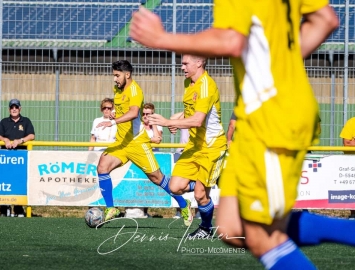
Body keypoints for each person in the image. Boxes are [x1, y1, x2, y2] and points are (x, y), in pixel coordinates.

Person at [129, 3, 355, 270]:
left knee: (261, 234)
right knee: (231, 227)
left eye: (187, 61)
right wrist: (279, 66)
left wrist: (163, 39)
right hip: (258, 117)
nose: (183, 65)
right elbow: (326, 19)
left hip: (275, 115)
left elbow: (232, 40)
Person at [96, 60, 192, 225]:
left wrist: (112, 122)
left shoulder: (135, 91)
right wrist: (113, 112)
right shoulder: (117, 89)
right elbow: (121, 108)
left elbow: (133, 113)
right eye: (113, 75)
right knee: (102, 167)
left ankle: (184, 204)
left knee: (157, 179)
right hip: (122, 142)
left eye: (117, 75)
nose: (115, 79)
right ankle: (111, 208)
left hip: (137, 143)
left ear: (127, 74)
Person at [148, 54, 227, 238]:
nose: (181, 67)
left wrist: (168, 122)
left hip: (212, 147)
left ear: (199, 62)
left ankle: (206, 229)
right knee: (175, 187)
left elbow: (198, 120)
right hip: (194, 146)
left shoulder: (207, 86)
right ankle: (209, 180)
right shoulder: (187, 83)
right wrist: (178, 120)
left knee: (200, 195)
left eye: (185, 63)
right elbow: (191, 111)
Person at [0, 99, 35, 217]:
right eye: (12, 107)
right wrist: (6, 140)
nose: (14, 109)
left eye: (16, 107)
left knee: (19, 182)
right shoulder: (4, 122)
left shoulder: (26, 121)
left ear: (20, 109)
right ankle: (4, 209)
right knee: (5, 181)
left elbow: (32, 135)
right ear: (9, 109)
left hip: (20, 158)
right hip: (5, 158)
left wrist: (20, 140)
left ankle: (18, 209)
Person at [126, 102, 163, 218]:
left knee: (150, 184)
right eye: (144, 113)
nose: (146, 116)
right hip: (139, 157)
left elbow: (158, 140)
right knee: (136, 183)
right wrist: (149, 139)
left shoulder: (157, 126)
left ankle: (146, 211)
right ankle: (131, 209)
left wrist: (154, 124)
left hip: (152, 157)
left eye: (149, 114)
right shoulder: (138, 126)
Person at [339, 117, 355, 218]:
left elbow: (351, 143)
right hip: (352, 163)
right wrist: (351, 142)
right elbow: (347, 143)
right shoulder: (352, 122)